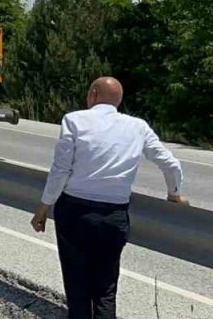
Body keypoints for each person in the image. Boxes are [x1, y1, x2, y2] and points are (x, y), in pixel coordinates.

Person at [31, 77, 185, 319]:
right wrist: (174, 194)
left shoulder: (74, 120)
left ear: (93, 94)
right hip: (114, 215)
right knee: (105, 288)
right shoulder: (138, 126)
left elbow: (61, 169)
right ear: (119, 100)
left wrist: (43, 207)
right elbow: (171, 165)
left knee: (77, 284)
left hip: (75, 211)